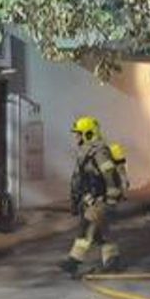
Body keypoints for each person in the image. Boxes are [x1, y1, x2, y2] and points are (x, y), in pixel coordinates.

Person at [61, 116, 125, 278]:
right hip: (92, 199)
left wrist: (110, 199)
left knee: (86, 228)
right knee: (103, 232)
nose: (76, 137)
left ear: (88, 134)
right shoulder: (88, 152)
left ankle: (73, 261)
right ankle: (112, 261)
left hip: (99, 200)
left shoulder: (99, 153)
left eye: (78, 134)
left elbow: (110, 176)